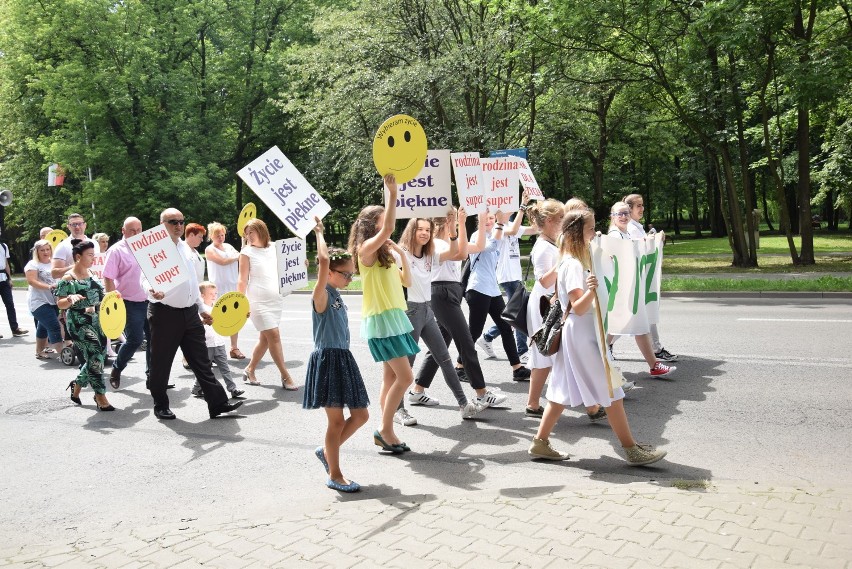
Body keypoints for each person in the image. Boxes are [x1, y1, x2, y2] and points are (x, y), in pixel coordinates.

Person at [528, 209, 667, 466]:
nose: (594, 233)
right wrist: (593, 289)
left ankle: (540, 442)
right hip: (582, 338)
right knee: (612, 392)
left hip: (580, 335)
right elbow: (578, 307)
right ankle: (631, 449)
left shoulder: (574, 259)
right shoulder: (571, 263)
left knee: (561, 391)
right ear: (577, 233)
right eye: (590, 229)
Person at [145, 208, 242, 421]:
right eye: (173, 222)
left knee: (201, 361)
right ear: (163, 225)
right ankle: (160, 404)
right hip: (164, 313)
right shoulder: (152, 250)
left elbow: (191, 283)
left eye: (181, 221)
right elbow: (143, 280)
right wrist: (152, 291)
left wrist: (201, 309)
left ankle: (218, 403)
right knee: (161, 363)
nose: (179, 225)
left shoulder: (185, 248)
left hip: (189, 313)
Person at [412, 208, 507, 422]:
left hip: (450, 292)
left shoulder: (449, 241)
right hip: (442, 292)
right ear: (446, 221)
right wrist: (461, 225)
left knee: (441, 344)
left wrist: (482, 223)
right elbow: (463, 253)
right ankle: (481, 393)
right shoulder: (436, 244)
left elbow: (480, 246)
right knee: (465, 342)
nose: (457, 220)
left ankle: (417, 390)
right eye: (454, 217)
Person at [348, 174, 419, 453]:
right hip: (381, 321)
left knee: (390, 379)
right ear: (372, 225)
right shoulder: (364, 249)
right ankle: (385, 430)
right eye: (380, 221)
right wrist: (392, 193)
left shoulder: (383, 254)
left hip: (394, 318)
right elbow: (389, 227)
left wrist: (401, 255)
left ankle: (386, 429)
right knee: (406, 378)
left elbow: (407, 282)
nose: (385, 225)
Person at [304, 218, 370, 493]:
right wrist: (319, 233)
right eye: (346, 274)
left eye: (352, 274)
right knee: (336, 421)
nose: (350, 279)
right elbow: (321, 261)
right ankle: (335, 474)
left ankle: (327, 452)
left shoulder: (337, 294)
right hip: (328, 360)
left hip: (343, 358)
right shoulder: (320, 294)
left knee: (361, 415)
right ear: (330, 273)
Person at [396, 215, 483, 420]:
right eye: (420, 229)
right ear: (411, 231)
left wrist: (454, 230)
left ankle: (464, 404)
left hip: (427, 311)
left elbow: (456, 252)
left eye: (428, 229)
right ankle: (398, 409)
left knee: (444, 357)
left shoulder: (430, 255)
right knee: (406, 364)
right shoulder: (402, 254)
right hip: (410, 312)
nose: (425, 233)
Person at [607, 201, 675, 378]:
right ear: (612, 217)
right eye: (619, 214)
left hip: (629, 288)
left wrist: (646, 242)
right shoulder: (614, 235)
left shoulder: (625, 233)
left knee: (634, 326)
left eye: (625, 213)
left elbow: (633, 249)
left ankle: (654, 365)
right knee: (621, 327)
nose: (623, 216)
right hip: (621, 290)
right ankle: (600, 355)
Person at [463, 209, 531, 382]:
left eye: (491, 218)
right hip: (478, 288)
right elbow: (491, 245)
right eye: (485, 218)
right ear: (478, 219)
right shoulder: (476, 235)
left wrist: (517, 211)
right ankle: (460, 366)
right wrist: (501, 222)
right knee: (474, 331)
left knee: (506, 326)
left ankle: (517, 368)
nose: (489, 221)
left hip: (492, 289)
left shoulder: (497, 233)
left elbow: (511, 232)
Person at [55, 239, 114, 411]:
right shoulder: (68, 278)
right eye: (89, 255)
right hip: (79, 322)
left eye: (93, 255)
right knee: (95, 354)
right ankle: (100, 395)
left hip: (97, 319)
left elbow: (102, 297)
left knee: (99, 356)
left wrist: (113, 297)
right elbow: (60, 304)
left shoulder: (93, 274)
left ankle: (77, 385)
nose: (93, 259)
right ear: (78, 256)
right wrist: (70, 299)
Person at [478, 191, 537, 362]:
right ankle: (522, 351)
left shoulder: (512, 224)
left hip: (515, 276)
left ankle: (488, 337)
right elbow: (513, 230)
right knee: (517, 314)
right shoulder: (500, 228)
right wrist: (522, 207)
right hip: (507, 276)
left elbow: (533, 229)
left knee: (514, 314)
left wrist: (541, 216)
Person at [238, 218, 296, 390]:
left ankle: (250, 369)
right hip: (257, 302)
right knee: (274, 335)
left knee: (265, 339)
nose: (248, 236)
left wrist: (300, 265)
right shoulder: (246, 252)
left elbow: (287, 268)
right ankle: (286, 376)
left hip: (275, 300)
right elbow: (242, 280)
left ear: (261, 230)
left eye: (251, 232)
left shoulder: (275, 248)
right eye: (246, 234)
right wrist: (241, 304)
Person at [623, 193, 677, 362]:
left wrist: (653, 238)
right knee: (642, 313)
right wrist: (652, 239)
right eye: (638, 205)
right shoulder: (631, 227)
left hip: (643, 277)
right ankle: (656, 349)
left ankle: (608, 345)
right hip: (637, 277)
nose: (642, 208)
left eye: (642, 205)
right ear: (629, 208)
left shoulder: (636, 226)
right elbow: (639, 248)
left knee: (634, 315)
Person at [523, 198, 563, 418]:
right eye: (560, 218)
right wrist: (563, 261)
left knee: (547, 354)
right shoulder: (542, 247)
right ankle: (533, 403)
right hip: (543, 306)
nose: (563, 221)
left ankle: (533, 403)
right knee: (544, 353)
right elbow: (544, 282)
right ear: (549, 221)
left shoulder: (551, 243)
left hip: (550, 304)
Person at [103, 217, 151, 390]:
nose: (137, 233)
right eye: (132, 230)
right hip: (128, 302)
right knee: (135, 340)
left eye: (139, 229)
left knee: (155, 339)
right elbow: (108, 276)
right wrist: (111, 303)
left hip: (150, 299)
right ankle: (117, 368)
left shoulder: (147, 247)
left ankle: (151, 376)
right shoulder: (116, 250)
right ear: (123, 231)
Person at [190, 282, 244, 400]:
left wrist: (243, 315)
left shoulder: (218, 308)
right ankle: (196, 387)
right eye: (211, 293)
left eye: (215, 293)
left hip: (219, 343)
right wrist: (204, 321)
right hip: (206, 345)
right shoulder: (199, 309)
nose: (214, 295)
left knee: (225, 368)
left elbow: (230, 318)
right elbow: (195, 325)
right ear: (202, 295)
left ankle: (233, 389)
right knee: (205, 369)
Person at [205, 222, 244, 360]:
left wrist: (238, 255)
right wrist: (236, 257)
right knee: (215, 320)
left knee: (234, 317)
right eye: (217, 235)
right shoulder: (209, 249)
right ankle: (214, 350)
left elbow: (241, 254)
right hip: (217, 288)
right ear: (211, 236)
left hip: (232, 286)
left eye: (222, 234)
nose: (221, 237)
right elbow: (222, 261)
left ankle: (234, 348)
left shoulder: (228, 246)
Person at [25, 240, 64, 358]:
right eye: (42, 250)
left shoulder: (54, 263)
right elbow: (32, 281)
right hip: (38, 302)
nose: (45, 252)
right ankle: (62, 353)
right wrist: (49, 286)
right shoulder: (33, 264)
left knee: (43, 325)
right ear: (37, 252)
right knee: (54, 326)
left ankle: (39, 351)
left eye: (47, 249)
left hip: (54, 300)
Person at [1, 226, 29, 338]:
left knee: (10, 304)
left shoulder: (3, 246)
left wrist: (10, 278)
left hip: (3, 277)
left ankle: (15, 328)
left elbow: (6, 263)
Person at [51, 213, 88, 278]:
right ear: (68, 227)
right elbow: (54, 274)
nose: (77, 227)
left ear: (85, 225)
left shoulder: (94, 243)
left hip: (93, 286)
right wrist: (75, 267)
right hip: (73, 286)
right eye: (74, 224)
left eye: (80, 224)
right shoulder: (63, 246)